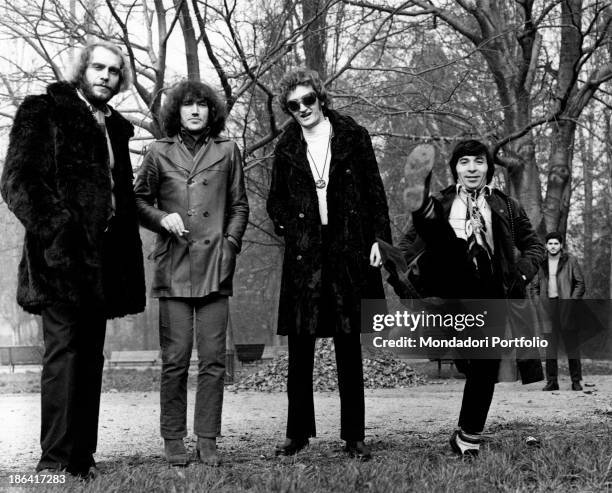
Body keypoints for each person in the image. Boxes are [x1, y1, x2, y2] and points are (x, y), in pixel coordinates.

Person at [1, 42, 145, 478]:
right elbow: (16, 180)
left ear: (121, 79)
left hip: (103, 263)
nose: (105, 75)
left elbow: (120, 197)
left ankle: (82, 459)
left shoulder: (116, 126)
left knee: (91, 357)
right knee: (62, 355)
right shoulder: (44, 110)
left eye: (114, 71)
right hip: (59, 259)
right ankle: (53, 462)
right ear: (82, 69)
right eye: (98, 67)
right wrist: (58, 230)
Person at [266, 68, 391, 460]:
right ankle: (297, 433)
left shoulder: (354, 137)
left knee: (348, 343)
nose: (302, 109)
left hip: (349, 249)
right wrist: (293, 226)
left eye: (308, 100)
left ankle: (354, 436)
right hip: (306, 254)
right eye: (293, 105)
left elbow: (375, 191)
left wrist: (379, 241)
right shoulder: (285, 147)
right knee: (300, 347)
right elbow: (275, 202)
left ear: (321, 98)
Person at [393, 139, 545, 457]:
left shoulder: (507, 206)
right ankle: (467, 431)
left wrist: (520, 273)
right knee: (473, 364)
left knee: (483, 367)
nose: (472, 168)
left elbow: (534, 246)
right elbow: (407, 245)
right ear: (455, 169)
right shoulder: (441, 203)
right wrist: (408, 274)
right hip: (450, 294)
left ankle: (467, 438)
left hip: (493, 292)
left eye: (479, 161)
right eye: (464, 162)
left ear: (488, 168)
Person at [134, 80, 249, 466]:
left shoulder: (228, 150)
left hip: (216, 265)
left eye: (202, 104)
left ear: (211, 111)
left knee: (215, 358)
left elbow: (239, 206)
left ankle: (208, 438)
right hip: (174, 266)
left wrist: (230, 245)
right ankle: (173, 437)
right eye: (188, 105)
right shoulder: (157, 152)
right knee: (176, 358)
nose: (195, 110)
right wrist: (160, 217)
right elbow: (138, 199)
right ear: (177, 111)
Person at [531, 232, 585, 391]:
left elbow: (580, 284)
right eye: (550, 243)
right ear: (546, 246)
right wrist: (538, 304)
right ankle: (552, 382)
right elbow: (533, 287)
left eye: (556, 243)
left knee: (572, 347)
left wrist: (572, 302)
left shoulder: (571, 260)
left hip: (566, 307)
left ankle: (576, 381)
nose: (553, 246)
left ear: (561, 245)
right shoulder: (540, 263)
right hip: (548, 308)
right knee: (550, 348)